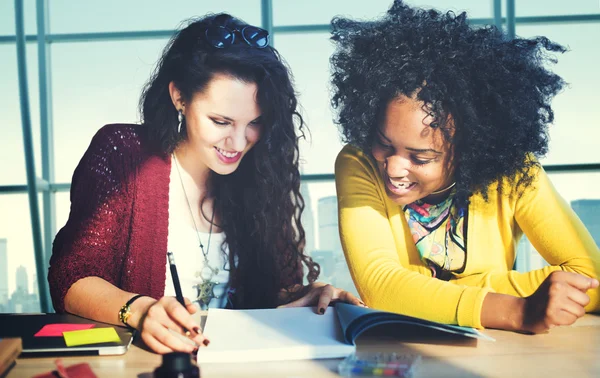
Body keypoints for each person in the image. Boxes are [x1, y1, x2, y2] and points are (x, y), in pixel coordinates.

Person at [49, 13, 362, 355]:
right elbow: (72, 277)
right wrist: (141, 311)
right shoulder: (124, 153)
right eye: (221, 121)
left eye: (254, 123)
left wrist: (305, 298)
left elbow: (272, 293)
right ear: (179, 97)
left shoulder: (260, 173)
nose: (239, 143)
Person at [330, 0, 600, 334]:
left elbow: (591, 279)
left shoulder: (514, 174)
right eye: (384, 144)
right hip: (407, 350)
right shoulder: (359, 162)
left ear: (469, 148)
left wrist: (425, 292)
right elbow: (382, 287)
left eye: (421, 157)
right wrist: (517, 310)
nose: (394, 168)